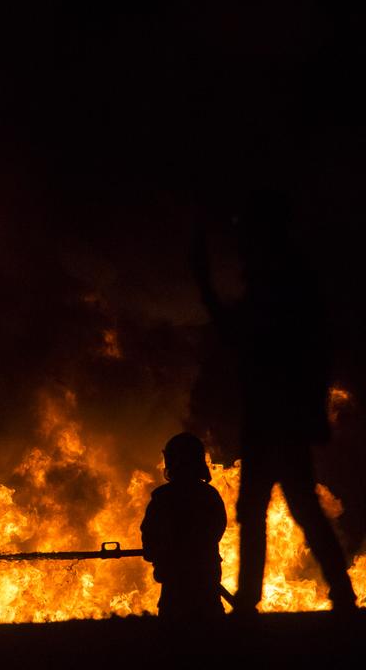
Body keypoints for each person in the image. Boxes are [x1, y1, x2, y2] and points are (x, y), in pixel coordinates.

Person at [194, 196, 358, 614]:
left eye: (249, 237)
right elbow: (238, 334)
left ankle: (327, 592)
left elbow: (309, 351)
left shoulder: (284, 287)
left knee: (292, 508)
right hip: (269, 418)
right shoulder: (274, 284)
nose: (244, 247)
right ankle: (260, 596)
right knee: (264, 509)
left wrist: (206, 286)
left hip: (280, 419)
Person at [140, 432, 227, 620]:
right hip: (207, 581)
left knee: (174, 638)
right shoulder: (209, 496)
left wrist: (163, 556)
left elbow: (149, 541)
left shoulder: (163, 498)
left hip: (175, 586)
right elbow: (216, 531)